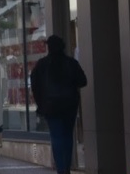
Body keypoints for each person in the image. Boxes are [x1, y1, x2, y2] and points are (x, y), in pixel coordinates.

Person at [29, 34, 87, 174]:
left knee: (56, 136)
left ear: (49, 47)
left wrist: (40, 104)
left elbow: (35, 84)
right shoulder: (71, 63)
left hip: (51, 106)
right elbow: (83, 81)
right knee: (67, 136)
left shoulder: (42, 65)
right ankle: (65, 167)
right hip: (69, 106)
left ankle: (61, 169)